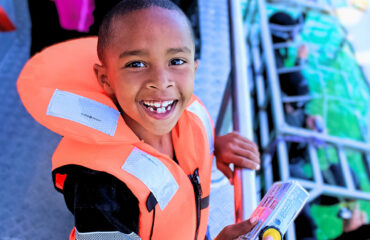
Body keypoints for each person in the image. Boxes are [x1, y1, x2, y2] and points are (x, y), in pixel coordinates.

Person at [17, 0, 266, 239]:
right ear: (105, 79)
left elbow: (188, 151)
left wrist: (213, 146)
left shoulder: (189, 114)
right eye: (136, 64)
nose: (160, 80)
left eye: (176, 61)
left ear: (194, 68)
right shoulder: (99, 188)